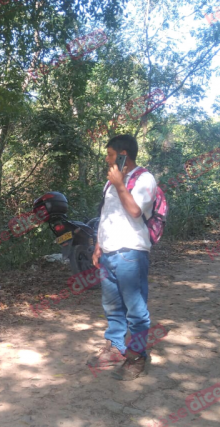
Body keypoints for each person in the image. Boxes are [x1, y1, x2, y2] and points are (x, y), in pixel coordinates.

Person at [87, 134, 157, 380]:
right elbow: (107, 214)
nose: (107, 159)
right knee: (112, 306)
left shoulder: (144, 179)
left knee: (135, 310)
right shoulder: (110, 183)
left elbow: (136, 211)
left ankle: (137, 355)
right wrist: (98, 245)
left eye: (109, 154)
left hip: (131, 253)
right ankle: (116, 347)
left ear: (123, 154)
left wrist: (119, 184)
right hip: (108, 253)